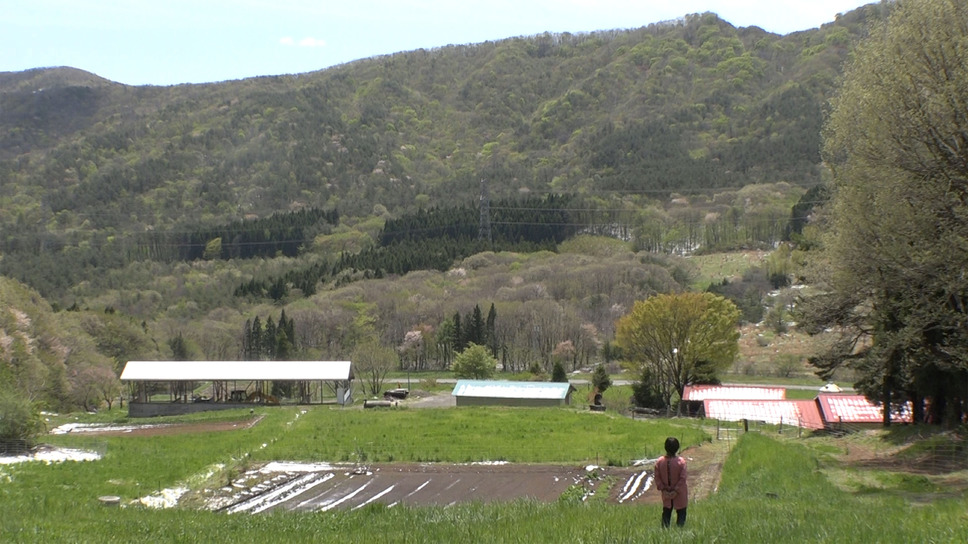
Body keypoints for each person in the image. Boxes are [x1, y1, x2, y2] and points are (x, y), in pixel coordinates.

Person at [654, 436, 688, 528]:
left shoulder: (659, 462)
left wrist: (663, 490)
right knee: (681, 513)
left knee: (666, 513)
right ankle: (680, 533)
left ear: (665, 447)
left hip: (666, 493)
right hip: (680, 494)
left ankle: (665, 533)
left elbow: (657, 477)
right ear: (677, 448)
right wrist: (676, 490)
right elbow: (682, 478)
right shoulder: (681, 462)